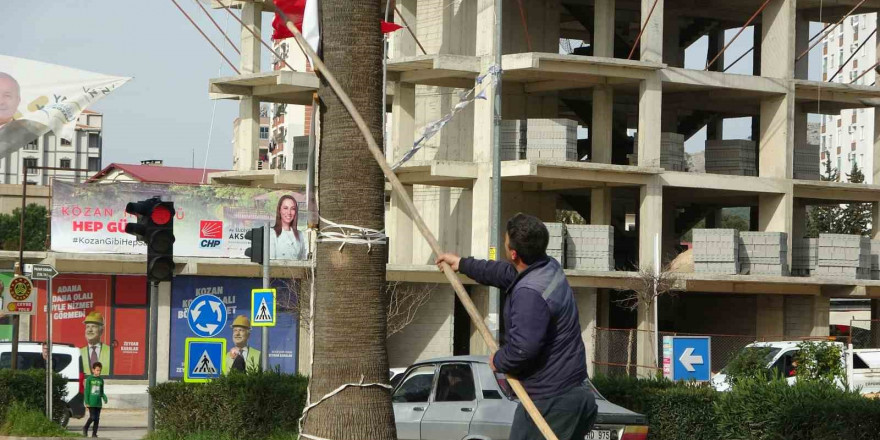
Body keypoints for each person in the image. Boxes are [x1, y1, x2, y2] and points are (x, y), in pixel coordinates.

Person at [435, 213, 597, 440]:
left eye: (505, 241)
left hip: (551, 403)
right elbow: (503, 273)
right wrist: (462, 264)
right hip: (577, 395)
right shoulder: (548, 267)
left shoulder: (530, 294)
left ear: (513, 253)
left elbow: (523, 350)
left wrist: (499, 360)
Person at [269, 195, 306, 260]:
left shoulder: (300, 235)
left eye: (292, 209)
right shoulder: (271, 233)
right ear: (279, 210)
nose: (289, 212)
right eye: (285, 208)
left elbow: (303, 261)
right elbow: (271, 262)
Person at [83, 362, 108, 438]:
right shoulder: (89, 379)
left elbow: (101, 392)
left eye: (99, 370)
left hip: (98, 403)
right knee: (93, 417)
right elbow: (86, 391)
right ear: (93, 370)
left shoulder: (101, 380)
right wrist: (87, 402)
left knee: (97, 419)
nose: (98, 372)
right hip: (91, 402)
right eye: (97, 370)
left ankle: (94, 434)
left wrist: (104, 397)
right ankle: (85, 427)